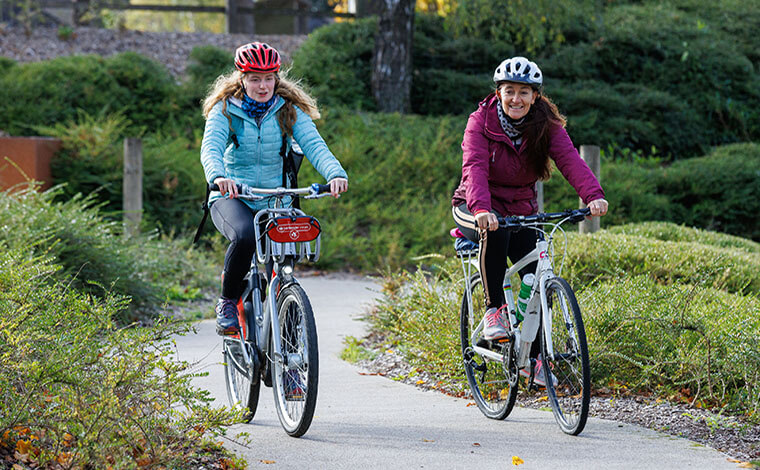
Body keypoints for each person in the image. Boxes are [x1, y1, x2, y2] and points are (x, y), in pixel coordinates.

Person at [451, 56, 608, 385]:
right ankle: (494, 308)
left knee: (537, 275)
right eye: (509, 91)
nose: (516, 99)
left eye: (524, 92)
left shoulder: (546, 125)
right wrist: (481, 208)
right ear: (498, 93)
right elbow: (474, 167)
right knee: (495, 234)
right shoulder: (480, 121)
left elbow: (569, 160)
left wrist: (592, 195)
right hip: (474, 203)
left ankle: (534, 360)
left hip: (521, 206)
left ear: (535, 96)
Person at [201, 42, 348, 335]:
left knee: (284, 272)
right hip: (233, 196)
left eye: (269, 78)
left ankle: (290, 360)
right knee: (244, 236)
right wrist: (218, 177)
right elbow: (211, 147)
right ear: (241, 78)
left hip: (276, 200)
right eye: (254, 78)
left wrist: (335, 173)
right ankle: (228, 301)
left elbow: (314, 144)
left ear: (277, 78)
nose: (263, 85)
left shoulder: (287, 110)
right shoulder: (226, 110)